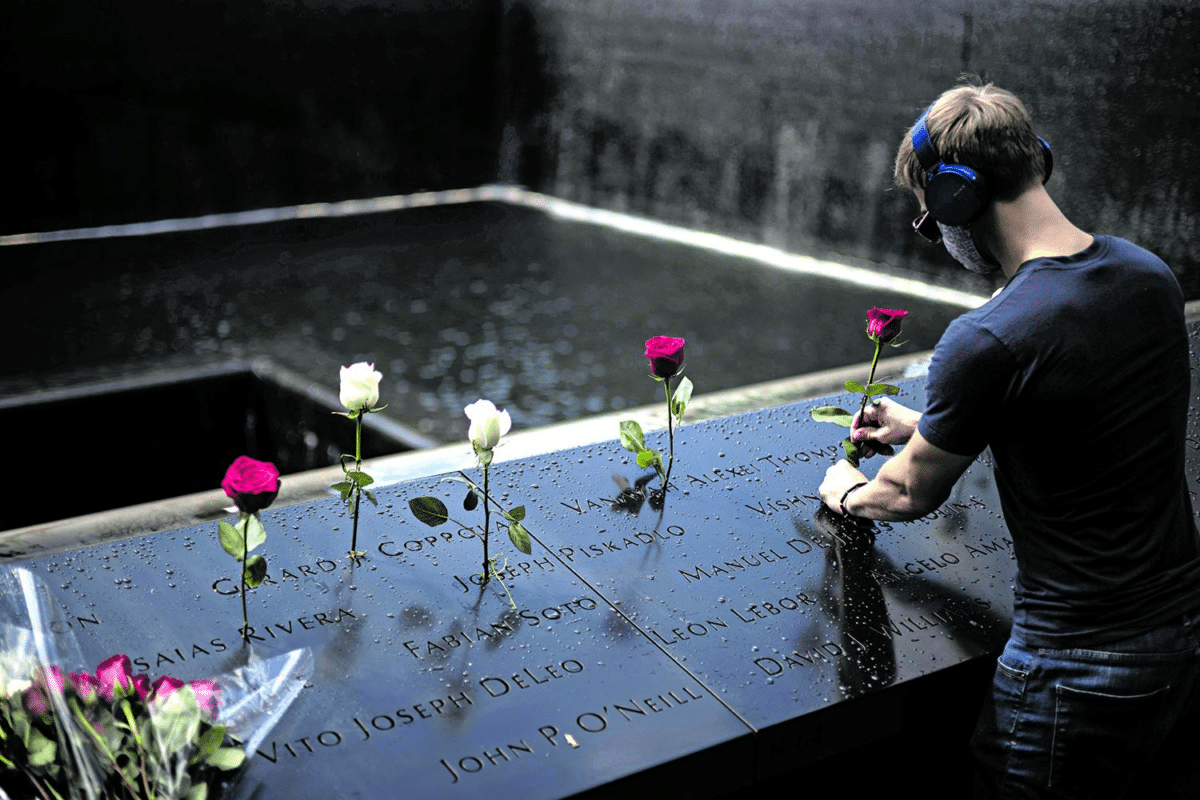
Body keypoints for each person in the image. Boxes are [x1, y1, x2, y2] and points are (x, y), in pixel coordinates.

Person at [818, 79, 1200, 798]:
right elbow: (1082, 417)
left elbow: (907, 494)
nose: (941, 236)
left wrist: (850, 493)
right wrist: (929, 425)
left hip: (1075, 667)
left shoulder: (988, 336)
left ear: (959, 199)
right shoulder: (1149, 277)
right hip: (1180, 639)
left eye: (932, 220)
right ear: (1037, 162)